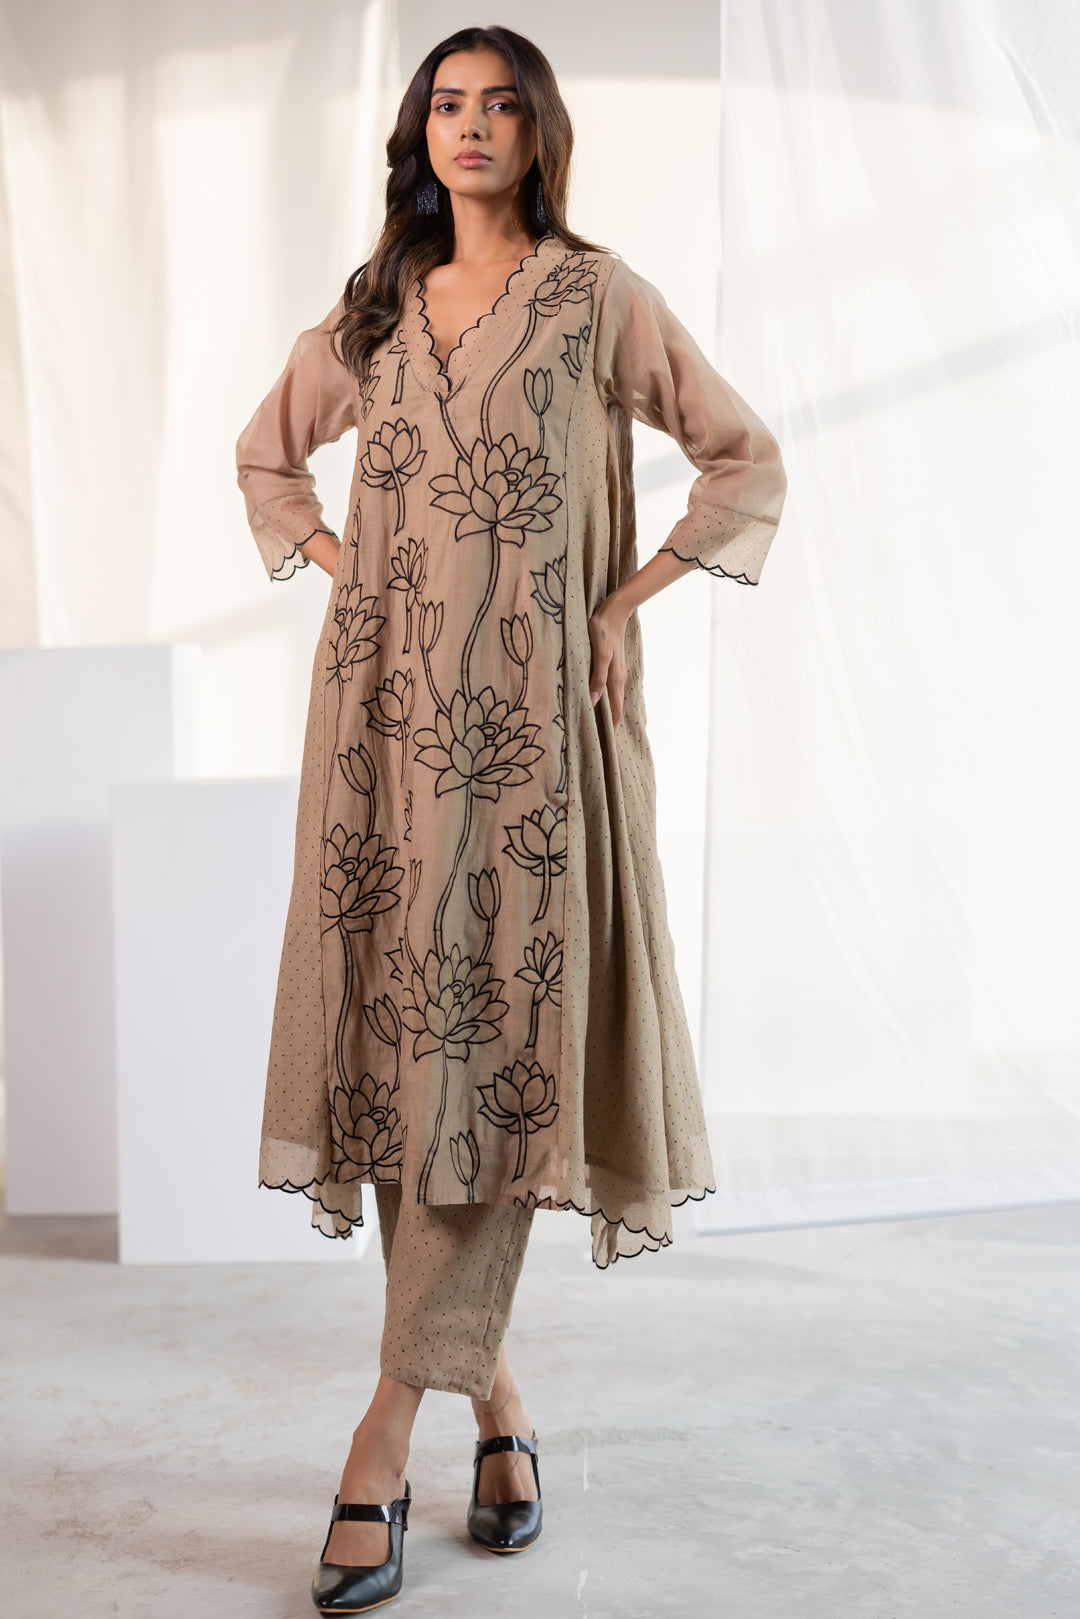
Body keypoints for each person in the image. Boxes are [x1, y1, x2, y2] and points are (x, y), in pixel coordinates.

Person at [236, 22, 787, 1614]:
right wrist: (346, 570)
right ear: (419, 134)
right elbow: (268, 461)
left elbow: (742, 457)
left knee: (494, 1053)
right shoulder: (374, 308)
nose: (469, 127)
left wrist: (623, 601)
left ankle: (380, 1437)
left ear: (539, 133)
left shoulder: (599, 299)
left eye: (498, 107)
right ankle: (501, 1412)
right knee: (411, 1061)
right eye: (445, 105)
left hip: (541, 741)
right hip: (384, 736)